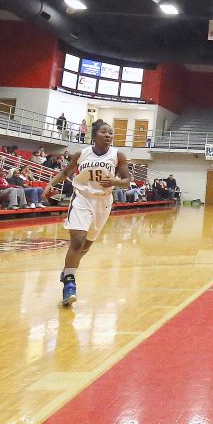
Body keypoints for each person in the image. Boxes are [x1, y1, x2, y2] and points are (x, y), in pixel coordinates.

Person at [44, 120, 131, 306]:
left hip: (103, 202)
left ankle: (68, 270)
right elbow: (65, 172)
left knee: (85, 247)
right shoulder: (81, 154)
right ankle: (69, 284)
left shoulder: (118, 155)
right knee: (77, 241)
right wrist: (50, 184)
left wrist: (115, 181)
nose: (108, 135)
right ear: (94, 135)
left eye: (110, 133)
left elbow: (127, 181)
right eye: (104, 132)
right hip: (82, 198)